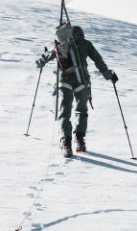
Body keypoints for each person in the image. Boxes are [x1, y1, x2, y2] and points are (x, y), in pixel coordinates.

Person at [35, 23, 117, 156]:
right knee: (81, 110)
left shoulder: (61, 43)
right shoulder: (86, 44)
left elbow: (47, 56)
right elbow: (98, 60)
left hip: (64, 81)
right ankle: (79, 141)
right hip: (82, 80)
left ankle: (65, 144)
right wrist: (109, 75)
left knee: (64, 111)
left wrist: (40, 61)